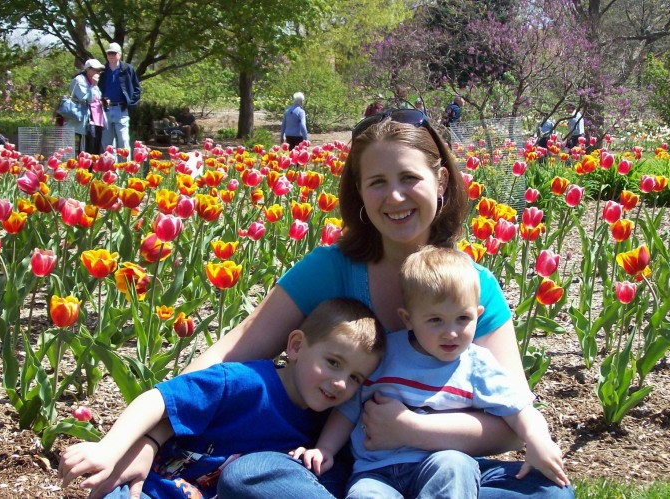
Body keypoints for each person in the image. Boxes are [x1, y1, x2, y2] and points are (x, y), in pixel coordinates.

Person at [87, 108, 573, 499]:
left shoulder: (473, 286)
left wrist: (408, 428)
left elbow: (510, 426)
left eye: (409, 177)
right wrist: (152, 439)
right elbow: (229, 355)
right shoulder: (330, 268)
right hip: (337, 467)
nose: (395, 196)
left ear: (441, 181)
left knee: (549, 493)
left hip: (448, 465)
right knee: (252, 473)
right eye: (376, 182)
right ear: (359, 193)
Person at [292, 247, 569, 498]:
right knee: (365, 495)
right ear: (408, 319)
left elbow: (518, 407)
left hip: (441, 465)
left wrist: (537, 439)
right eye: (435, 320)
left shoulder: (476, 364)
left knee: (457, 465)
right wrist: (325, 448)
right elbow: (349, 408)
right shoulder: (385, 355)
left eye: (463, 319)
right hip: (377, 471)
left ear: (478, 314)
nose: (451, 332)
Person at [58, 299, 386, 499]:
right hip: (153, 488)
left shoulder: (319, 428)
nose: (341, 383)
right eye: (333, 362)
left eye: (356, 378)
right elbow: (158, 399)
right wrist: (109, 449)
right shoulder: (241, 382)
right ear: (296, 346)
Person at [98, 42, 141, 152]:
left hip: (121, 110)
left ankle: (126, 169)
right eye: (109, 53)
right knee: (107, 144)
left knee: (123, 141)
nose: (111, 56)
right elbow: (97, 89)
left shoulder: (127, 69)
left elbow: (137, 89)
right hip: (105, 110)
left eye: (114, 53)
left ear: (119, 55)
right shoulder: (102, 70)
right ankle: (110, 169)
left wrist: (129, 103)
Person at [65, 59, 106, 154]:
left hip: (97, 119)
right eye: (96, 70)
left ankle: (92, 169)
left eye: (99, 70)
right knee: (86, 148)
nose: (98, 72)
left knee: (96, 148)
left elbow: (97, 97)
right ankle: (84, 168)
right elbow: (87, 99)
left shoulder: (93, 81)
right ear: (88, 69)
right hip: (86, 120)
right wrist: (93, 85)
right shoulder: (79, 80)